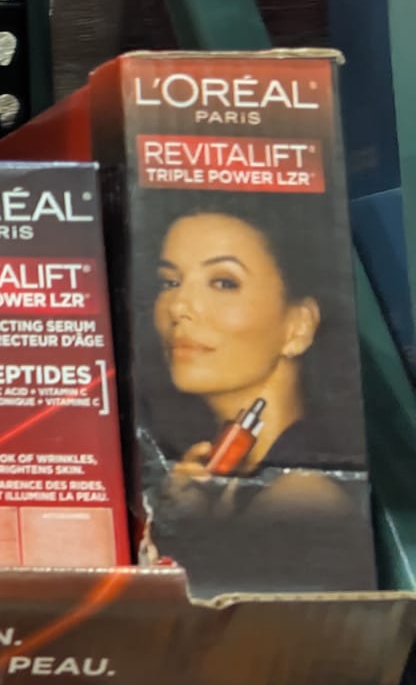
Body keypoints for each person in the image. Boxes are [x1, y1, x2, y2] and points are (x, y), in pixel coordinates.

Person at [144, 192, 359, 485]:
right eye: (170, 282)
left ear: (299, 325)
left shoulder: (305, 489)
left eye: (223, 283)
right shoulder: (232, 479)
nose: (178, 306)